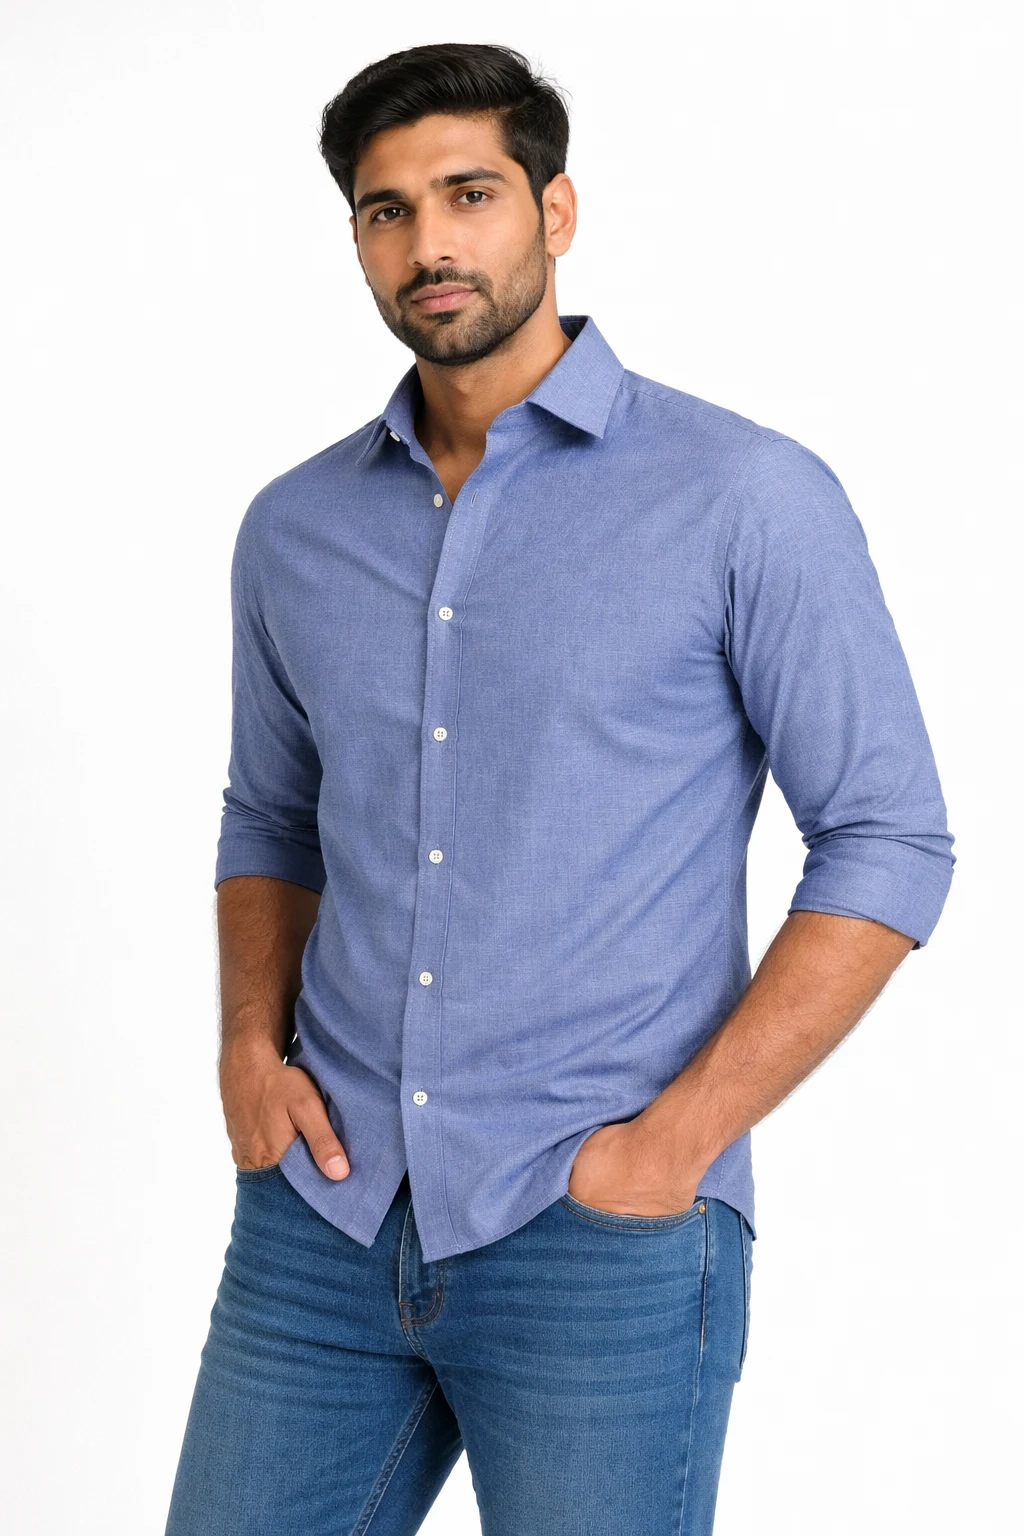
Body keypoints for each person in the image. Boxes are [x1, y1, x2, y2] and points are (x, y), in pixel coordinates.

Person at [164, 41, 955, 1536]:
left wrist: (677, 1146)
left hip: (598, 1234)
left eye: (470, 194)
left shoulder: (743, 496)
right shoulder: (294, 528)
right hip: (323, 1211)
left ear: (558, 210)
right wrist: (245, 1053)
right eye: (388, 210)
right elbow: (269, 819)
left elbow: (889, 840)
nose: (431, 242)